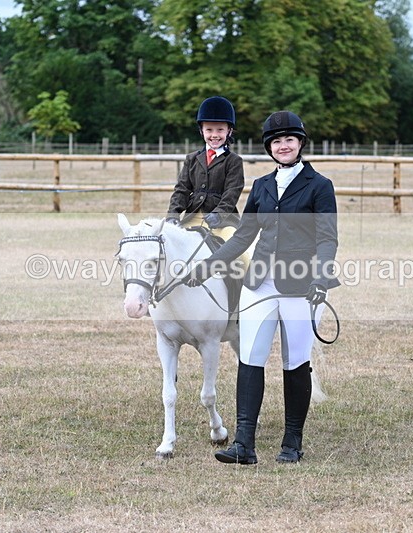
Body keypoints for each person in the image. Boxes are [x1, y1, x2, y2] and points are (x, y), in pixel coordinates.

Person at [185, 110, 340, 464]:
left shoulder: (320, 186)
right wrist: (209, 265)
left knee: (295, 362)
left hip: (300, 285)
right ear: (269, 147)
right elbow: (243, 236)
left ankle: (292, 443)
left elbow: (328, 239)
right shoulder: (262, 187)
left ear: (300, 143)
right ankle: (244, 444)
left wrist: (321, 277)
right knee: (250, 359)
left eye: (289, 140)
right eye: (276, 141)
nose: (283, 146)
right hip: (260, 283)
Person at [166, 96, 244, 243]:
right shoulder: (192, 159)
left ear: (229, 131)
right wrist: (173, 215)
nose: (214, 135)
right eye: (209, 130)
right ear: (202, 131)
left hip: (223, 221)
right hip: (193, 217)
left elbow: (232, 193)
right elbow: (181, 189)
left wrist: (219, 214)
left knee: (241, 251)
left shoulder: (234, 161)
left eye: (220, 130)